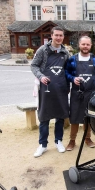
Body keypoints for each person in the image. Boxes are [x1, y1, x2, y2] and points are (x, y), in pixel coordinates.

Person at [31, 26, 70, 157]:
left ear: (63, 37)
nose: (59, 38)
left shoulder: (65, 52)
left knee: (60, 117)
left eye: (61, 35)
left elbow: (67, 70)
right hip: (45, 89)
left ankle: (58, 141)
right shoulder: (43, 50)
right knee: (44, 117)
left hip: (61, 88)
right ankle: (43, 144)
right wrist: (41, 76)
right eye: (56, 35)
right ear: (51, 36)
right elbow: (34, 65)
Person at [65, 36, 95, 151]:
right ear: (79, 45)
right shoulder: (72, 59)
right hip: (77, 93)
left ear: (91, 46)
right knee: (75, 117)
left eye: (87, 44)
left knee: (88, 117)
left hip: (91, 93)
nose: (85, 46)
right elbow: (66, 73)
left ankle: (88, 138)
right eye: (83, 44)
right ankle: (72, 140)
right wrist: (72, 79)